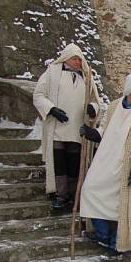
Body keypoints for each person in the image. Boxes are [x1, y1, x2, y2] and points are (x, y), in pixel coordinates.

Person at [79, 73, 131, 252]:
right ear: (129, 88)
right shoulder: (115, 106)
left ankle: (116, 240)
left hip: (127, 164)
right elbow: (104, 129)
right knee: (89, 190)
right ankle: (103, 233)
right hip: (106, 160)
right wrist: (90, 133)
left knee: (120, 204)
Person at [33, 43, 101, 209]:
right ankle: (61, 195)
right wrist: (51, 109)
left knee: (74, 164)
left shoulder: (86, 77)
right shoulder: (52, 73)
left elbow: (95, 100)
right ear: (66, 58)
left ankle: (73, 196)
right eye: (74, 58)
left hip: (77, 130)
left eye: (80, 59)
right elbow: (38, 95)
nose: (78, 62)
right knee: (59, 164)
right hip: (58, 129)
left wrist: (93, 108)